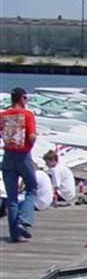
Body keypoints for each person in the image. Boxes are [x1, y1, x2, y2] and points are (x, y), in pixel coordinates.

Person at [0, 87, 37, 242]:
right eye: (26, 98)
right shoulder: (27, 114)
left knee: (12, 198)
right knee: (32, 188)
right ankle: (24, 220)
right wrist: (30, 146)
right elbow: (32, 136)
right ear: (22, 98)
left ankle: (15, 235)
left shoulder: (3, 115)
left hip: (8, 156)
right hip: (23, 155)